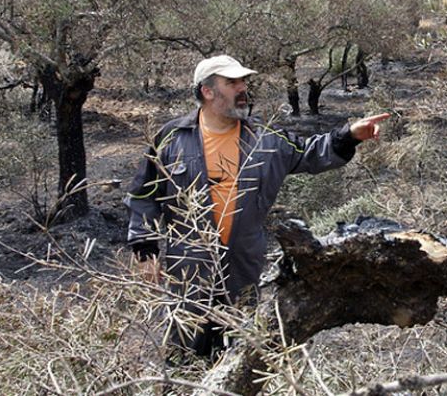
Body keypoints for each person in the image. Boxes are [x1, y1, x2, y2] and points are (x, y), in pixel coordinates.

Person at [124, 54, 389, 361]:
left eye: (243, 81)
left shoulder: (266, 138)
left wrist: (349, 136)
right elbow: (144, 194)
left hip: (243, 268)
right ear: (208, 91)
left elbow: (310, 152)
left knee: (238, 358)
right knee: (185, 356)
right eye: (232, 82)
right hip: (189, 272)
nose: (243, 88)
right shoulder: (171, 138)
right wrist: (145, 250)